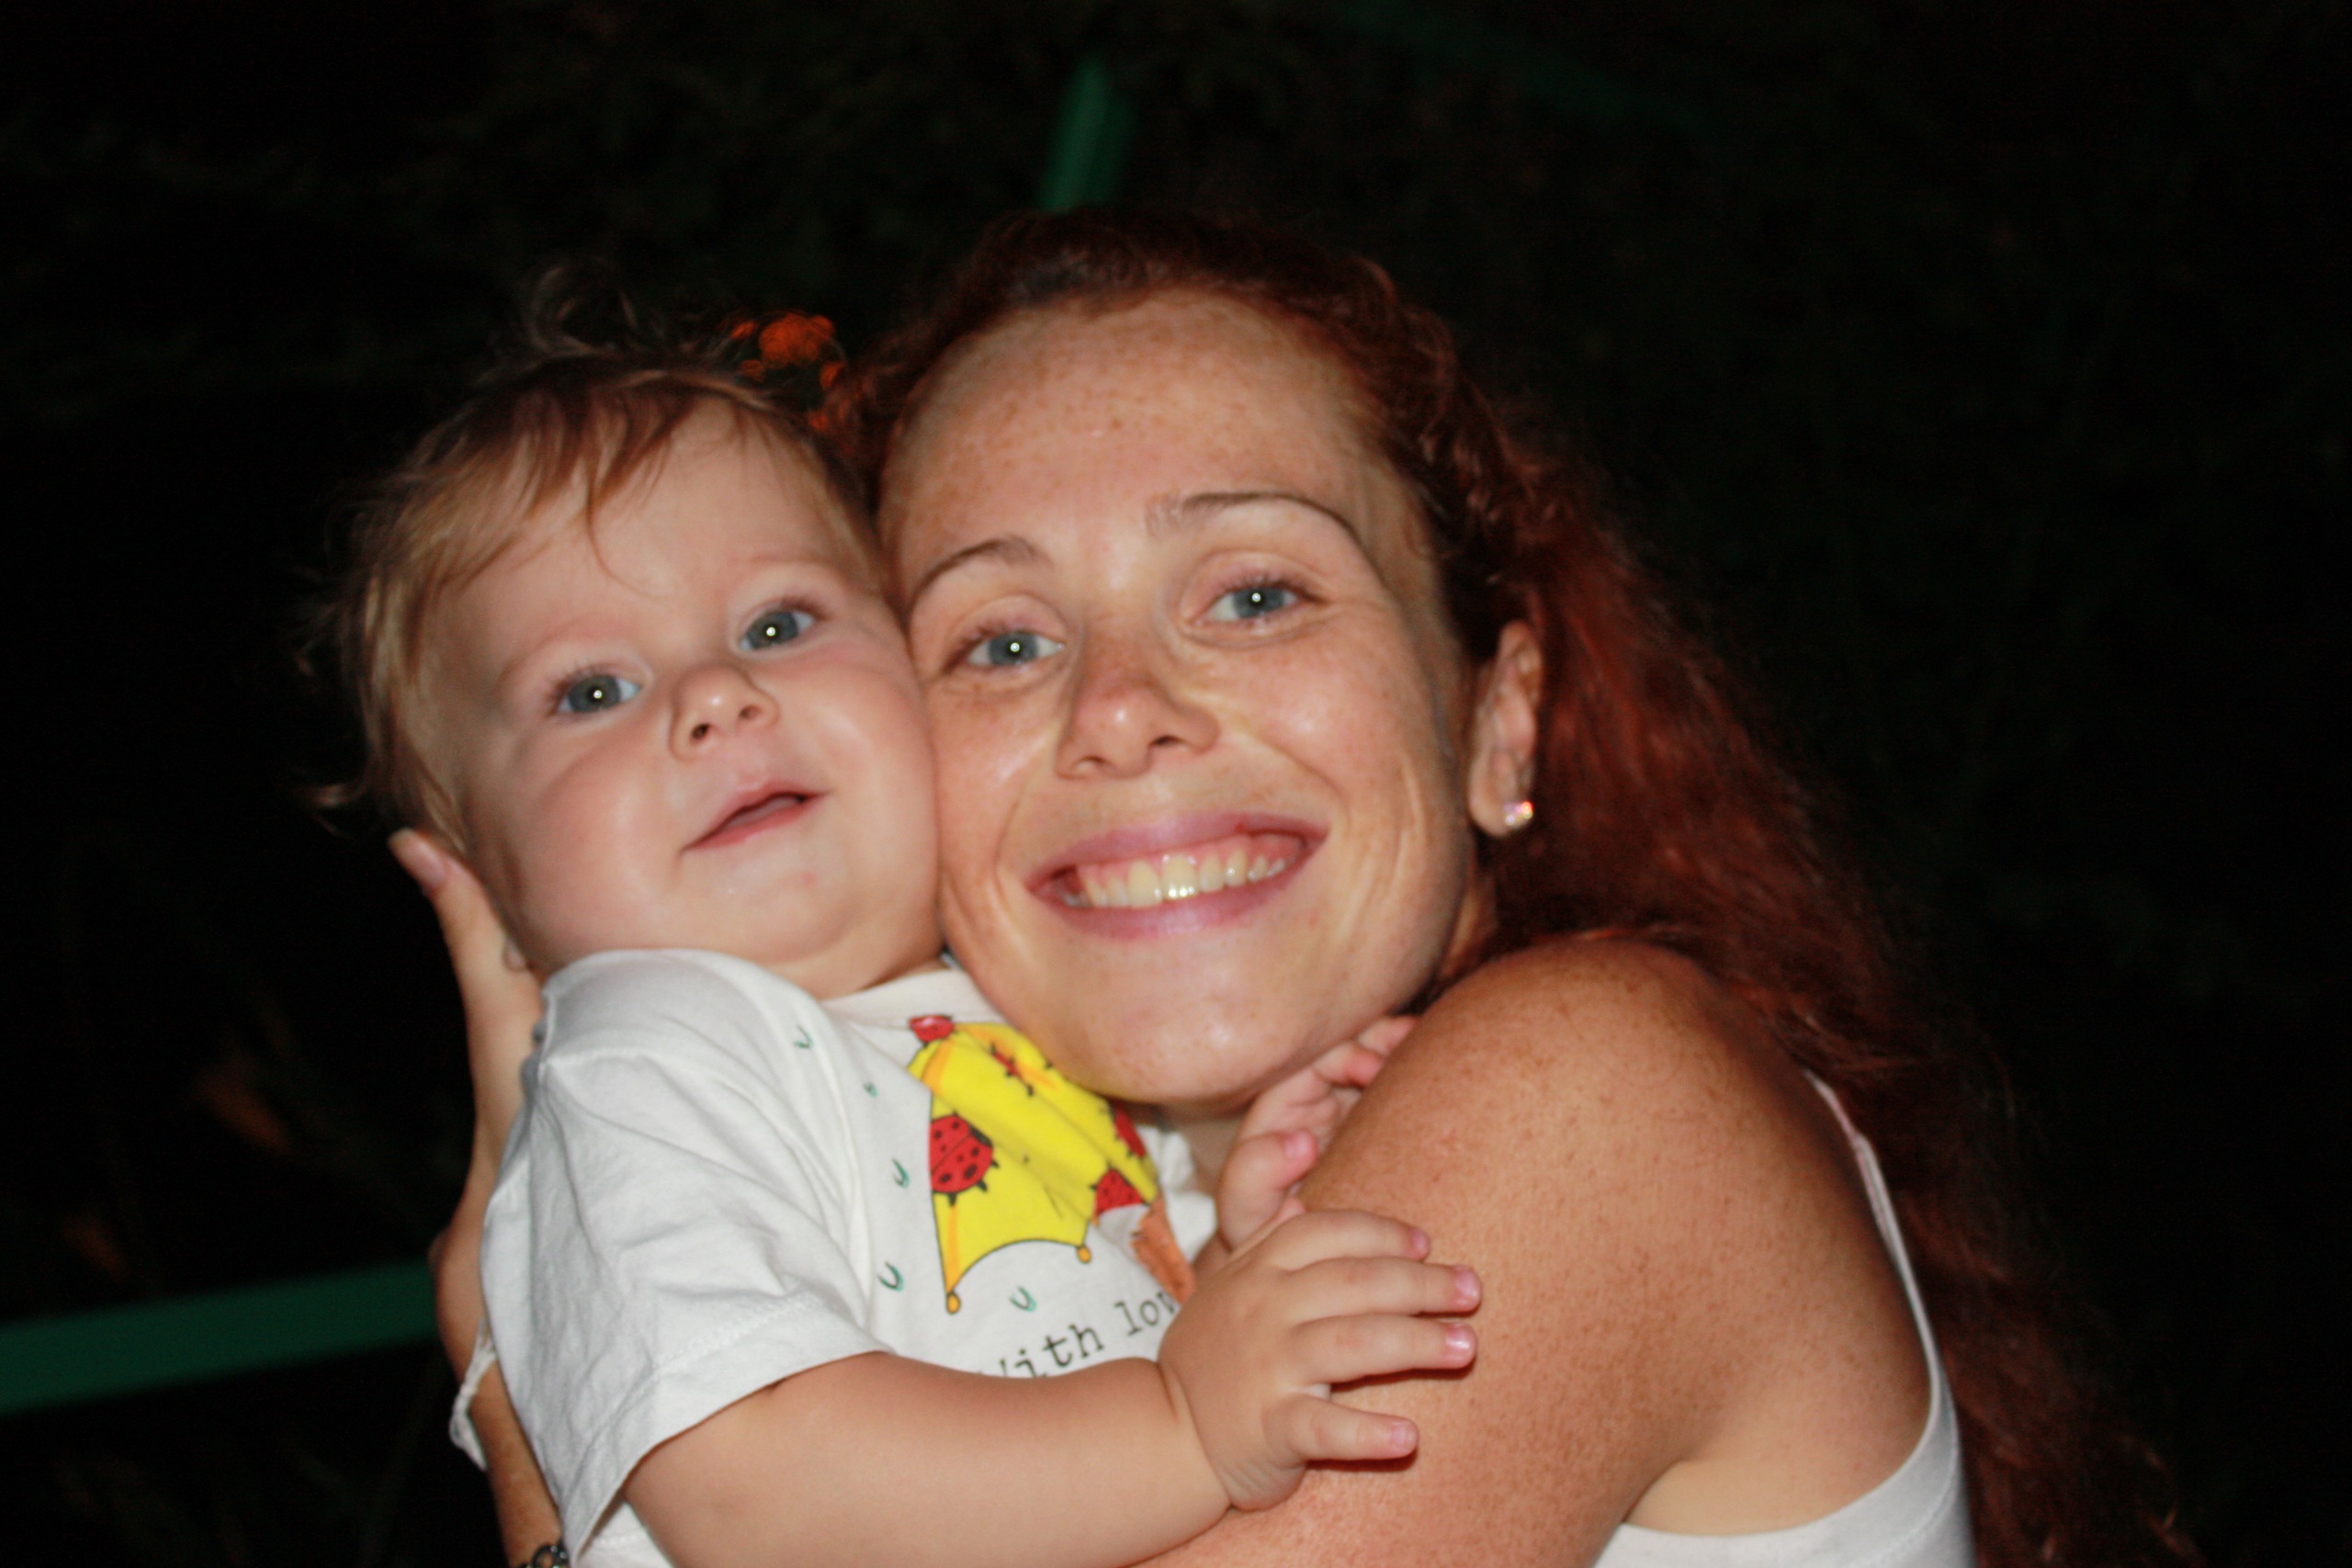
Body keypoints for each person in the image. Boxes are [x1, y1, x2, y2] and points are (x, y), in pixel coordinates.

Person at [423, 213, 2193, 1565]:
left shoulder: (1594, 1093)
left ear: (1498, 718)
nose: (1119, 708)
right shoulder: (1068, 1205)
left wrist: (532, 1414)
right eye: (1002, 639)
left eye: (1257, 593)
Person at [325, 297, 1484, 1568]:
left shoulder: (995, 1027)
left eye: (777, 625)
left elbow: (1063, 1330)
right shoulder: (645, 1062)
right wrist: (1184, 1423)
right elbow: (758, 1491)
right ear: (480, 874)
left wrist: (1227, 1253)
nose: (716, 696)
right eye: (591, 690)